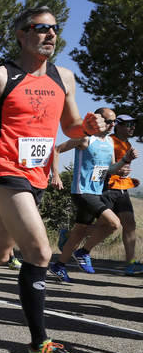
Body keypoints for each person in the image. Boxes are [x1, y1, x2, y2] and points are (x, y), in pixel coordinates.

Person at [0, 6, 103, 353]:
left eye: (55, 29)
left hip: (38, 178)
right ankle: (40, 345)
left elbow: (73, 126)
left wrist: (88, 126)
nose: (50, 35)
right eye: (40, 28)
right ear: (21, 34)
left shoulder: (64, 78)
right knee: (38, 251)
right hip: (3, 172)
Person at [50, 108, 137, 281]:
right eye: (109, 121)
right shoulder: (85, 138)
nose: (112, 125)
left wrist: (124, 162)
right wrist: (56, 174)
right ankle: (83, 252)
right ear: (98, 119)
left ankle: (58, 266)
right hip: (82, 191)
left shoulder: (109, 143)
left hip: (96, 192)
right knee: (114, 224)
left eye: (114, 122)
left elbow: (110, 169)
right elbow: (57, 150)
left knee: (79, 232)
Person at [103, 114, 142, 274]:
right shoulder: (109, 141)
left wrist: (129, 178)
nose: (132, 127)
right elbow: (105, 165)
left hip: (122, 187)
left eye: (133, 125)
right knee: (105, 226)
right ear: (117, 125)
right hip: (108, 187)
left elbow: (121, 168)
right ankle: (69, 235)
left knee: (130, 224)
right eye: (128, 124)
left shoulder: (127, 143)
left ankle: (131, 263)